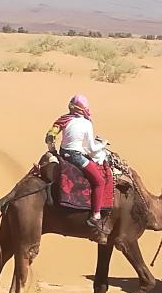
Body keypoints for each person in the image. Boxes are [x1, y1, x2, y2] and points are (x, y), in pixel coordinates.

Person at [45, 94, 112, 244]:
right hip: (75, 156)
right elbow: (91, 148)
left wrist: (52, 149)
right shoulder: (86, 124)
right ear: (84, 109)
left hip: (63, 153)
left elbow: (50, 135)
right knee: (99, 181)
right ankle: (95, 216)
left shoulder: (64, 119)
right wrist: (103, 143)